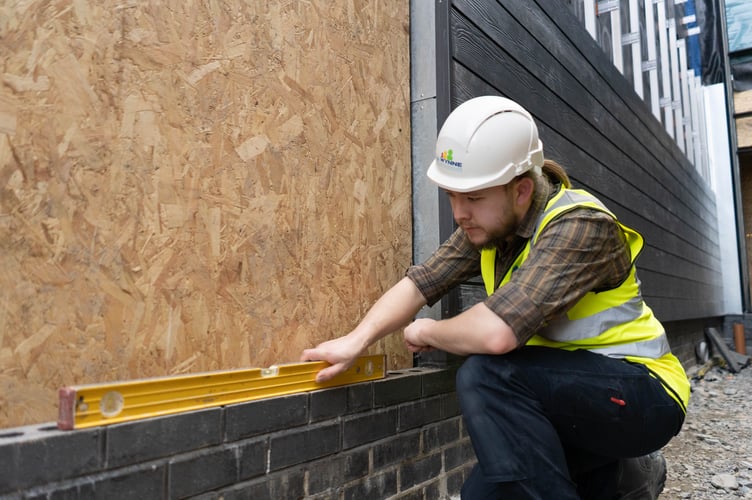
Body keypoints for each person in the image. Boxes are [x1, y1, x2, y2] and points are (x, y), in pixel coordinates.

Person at [301, 95, 689, 499]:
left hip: (643, 395)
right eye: (452, 196)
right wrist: (356, 340)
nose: (459, 213)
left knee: (487, 374)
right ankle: (625, 480)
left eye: (472, 198)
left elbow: (497, 335)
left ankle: (628, 466)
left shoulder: (579, 227)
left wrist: (429, 330)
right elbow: (421, 283)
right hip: (569, 397)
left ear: (521, 190)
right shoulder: (491, 224)